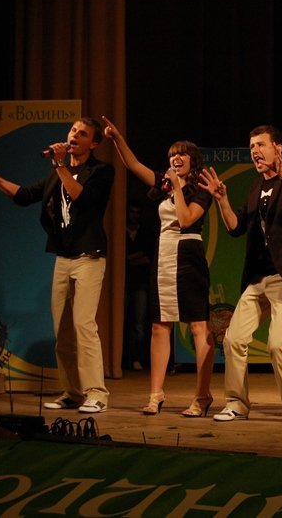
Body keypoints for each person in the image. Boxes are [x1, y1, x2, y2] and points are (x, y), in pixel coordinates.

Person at [198, 125, 282, 425]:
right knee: (233, 339)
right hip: (257, 278)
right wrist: (222, 199)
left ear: (278, 148)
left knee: (278, 343)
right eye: (252, 146)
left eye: (261, 145)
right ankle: (237, 404)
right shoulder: (255, 187)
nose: (255, 151)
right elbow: (236, 227)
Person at [0, 118, 114, 413]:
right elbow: (24, 196)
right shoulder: (56, 174)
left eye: (82, 134)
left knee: (84, 326)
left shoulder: (101, 171)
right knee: (63, 330)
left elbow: (81, 198)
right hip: (63, 256)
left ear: (93, 144)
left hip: (89, 256)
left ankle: (97, 393)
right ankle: (73, 392)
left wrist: (60, 165)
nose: (74, 136)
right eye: (73, 131)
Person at [101, 116, 215, 417]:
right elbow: (133, 165)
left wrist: (177, 187)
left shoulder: (201, 189)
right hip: (163, 255)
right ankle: (156, 394)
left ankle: (202, 395)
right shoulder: (165, 185)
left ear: (193, 160)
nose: (176, 158)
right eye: (172, 155)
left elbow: (186, 220)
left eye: (182, 154)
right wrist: (117, 138)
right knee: (159, 326)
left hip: (189, 255)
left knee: (198, 325)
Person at [124, 200, 154, 370]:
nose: (134, 216)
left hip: (141, 282)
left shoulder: (145, 233)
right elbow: (121, 258)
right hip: (123, 282)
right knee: (123, 321)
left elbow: (148, 258)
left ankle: (137, 358)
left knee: (139, 323)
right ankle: (123, 359)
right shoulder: (120, 232)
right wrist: (135, 257)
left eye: (137, 212)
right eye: (131, 212)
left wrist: (131, 259)